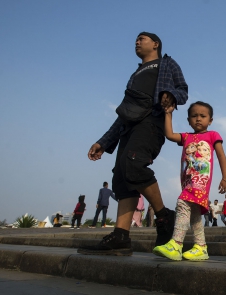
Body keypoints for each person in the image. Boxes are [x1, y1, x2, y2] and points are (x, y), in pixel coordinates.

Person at [78, 32, 188, 256]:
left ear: (155, 44)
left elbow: (183, 90)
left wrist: (170, 96)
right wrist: (104, 141)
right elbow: (125, 113)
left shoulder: (167, 64)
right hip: (128, 128)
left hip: (152, 122)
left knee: (134, 165)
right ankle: (120, 236)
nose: (137, 42)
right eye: (136, 40)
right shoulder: (135, 74)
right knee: (121, 176)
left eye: (142, 39)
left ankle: (165, 216)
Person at [153, 101, 226, 261]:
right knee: (194, 214)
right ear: (188, 120)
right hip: (187, 180)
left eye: (203, 116)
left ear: (210, 120)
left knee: (182, 203)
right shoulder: (187, 136)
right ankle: (201, 247)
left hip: (200, 180)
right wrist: (168, 113)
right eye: (194, 116)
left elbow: (221, 155)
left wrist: (225, 178)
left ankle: (176, 244)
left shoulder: (212, 135)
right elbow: (169, 134)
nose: (198, 119)